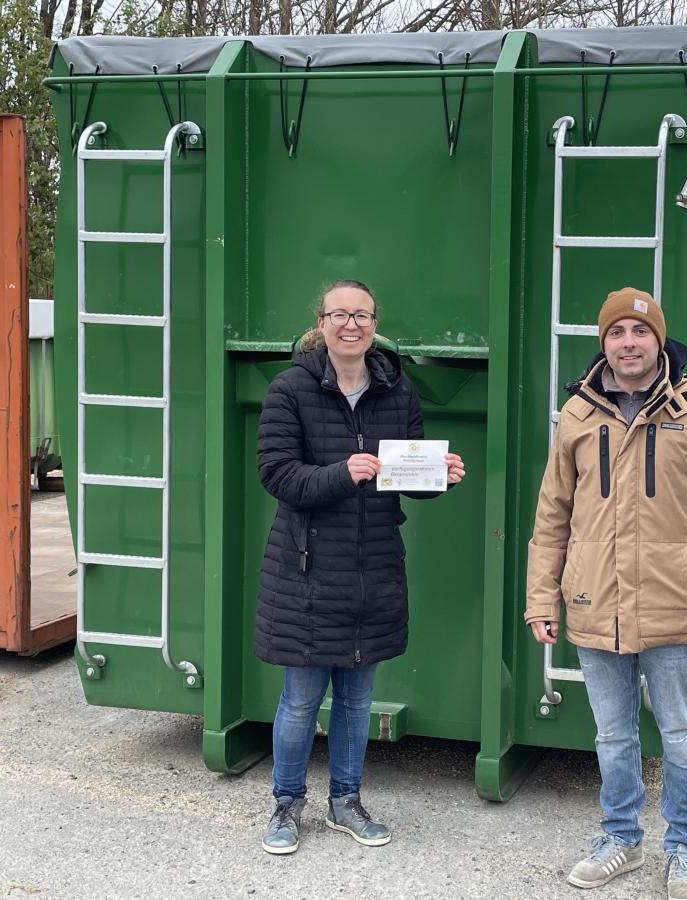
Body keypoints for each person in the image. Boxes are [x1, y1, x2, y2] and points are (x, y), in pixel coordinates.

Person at [525, 287, 687, 900]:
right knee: (613, 734)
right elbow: (553, 516)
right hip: (595, 600)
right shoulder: (577, 414)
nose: (629, 343)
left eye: (640, 332)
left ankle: (684, 849)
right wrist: (541, 598)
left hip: (675, 603)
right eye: (617, 333)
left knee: (680, 732)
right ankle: (620, 839)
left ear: (659, 341)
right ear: (603, 343)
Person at [253, 279, 465, 855]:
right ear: (321, 322)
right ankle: (286, 805)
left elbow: (406, 480)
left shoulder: (397, 391)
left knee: (354, 700)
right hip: (305, 573)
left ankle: (346, 801)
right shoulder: (290, 390)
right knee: (300, 699)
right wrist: (339, 473)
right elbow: (276, 474)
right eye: (340, 315)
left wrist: (437, 477)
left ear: (375, 324)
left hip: (373, 570)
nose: (352, 325)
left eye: (363, 316)